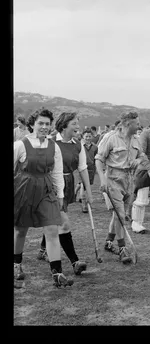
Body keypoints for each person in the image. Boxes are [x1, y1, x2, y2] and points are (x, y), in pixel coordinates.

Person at [14, 108, 73, 288]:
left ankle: (57, 272)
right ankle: (16, 264)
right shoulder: (20, 145)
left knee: (52, 229)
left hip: (46, 189)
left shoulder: (53, 146)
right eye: (41, 123)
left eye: (47, 124)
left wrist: (61, 195)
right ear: (32, 124)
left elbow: (56, 172)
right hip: (24, 189)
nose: (44, 127)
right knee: (20, 230)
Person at [36, 112, 93, 276]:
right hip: (51, 186)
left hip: (67, 184)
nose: (78, 127)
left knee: (55, 221)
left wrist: (88, 193)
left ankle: (42, 249)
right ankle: (75, 261)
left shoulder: (78, 144)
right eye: (74, 123)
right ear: (64, 125)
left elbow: (82, 168)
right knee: (63, 223)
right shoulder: (50, 142)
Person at [96, 111, 149, 260]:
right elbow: (99, 159)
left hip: (130, 180)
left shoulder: (136, 139)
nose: (139, 126)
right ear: (127, 124)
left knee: (118, 214)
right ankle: (122, 249)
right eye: (136, 123)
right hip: (113, 178)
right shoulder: (110, 138)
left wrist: (138, 161)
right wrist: (102, 179)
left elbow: (142, 156)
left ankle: (108, 242)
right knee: (120, 215)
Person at [78, 128, 98, 213]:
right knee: (83, 185)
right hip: (82, 168)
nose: (88, 138)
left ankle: (82, 198)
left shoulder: (95, 147)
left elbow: (96, 158)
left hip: (91, 169)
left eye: (89, 136)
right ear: (83, 136)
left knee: (88, 186)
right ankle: (84, 205)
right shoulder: (79, 146)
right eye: (86, 136)